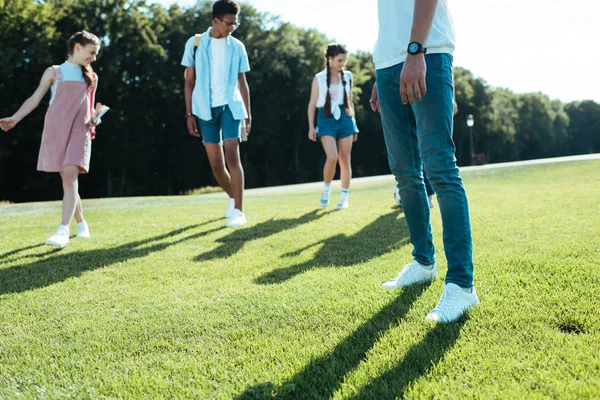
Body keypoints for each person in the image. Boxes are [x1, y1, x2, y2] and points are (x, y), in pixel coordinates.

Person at [371, 0, 478, 323]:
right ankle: (423, 263)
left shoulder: (421, 52)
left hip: (425, 53)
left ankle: (461, 285)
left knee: (440, 169)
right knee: (404, 173)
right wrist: (385, 68)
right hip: (389, 62)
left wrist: (415, 51)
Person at [0, 31, 102, 248]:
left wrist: (95, 120)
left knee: (70, 176)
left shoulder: (92, 77)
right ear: (77, 47)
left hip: (79, 131)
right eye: (91, 52)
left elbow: (90, 109)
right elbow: (34, 99)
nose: (93, 58)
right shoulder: (54, 72)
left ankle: (63, 230)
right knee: (67, 180)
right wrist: (15, 118)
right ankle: (82, 223)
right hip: (56, 130)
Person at [182, 0, 251, 227]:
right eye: (229, 23)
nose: (232, 27)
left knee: (232, 153)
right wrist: (189, 114)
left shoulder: (238, 47)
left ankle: (239, 211)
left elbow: (243, 83)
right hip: (204, 109)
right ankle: (233, 197)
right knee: (216, 164)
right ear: (215, 20)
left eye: (235, 23)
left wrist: (248, 114)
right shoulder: (195, 43)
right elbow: (189, 82)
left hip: (231, 106)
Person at [307, 44, 359, 209]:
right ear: (329, 58)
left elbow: (350, 102)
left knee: (345, 159)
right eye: (339, 60)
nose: (342, 64)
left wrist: (354, 125)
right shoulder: (319, 78)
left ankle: (344, 197)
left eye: (344, 60)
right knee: (332, 157)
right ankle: (326, 189)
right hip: (326, 118)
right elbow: (312, 104)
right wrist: (311, 127)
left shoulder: (348, 76)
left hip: (345, 118)